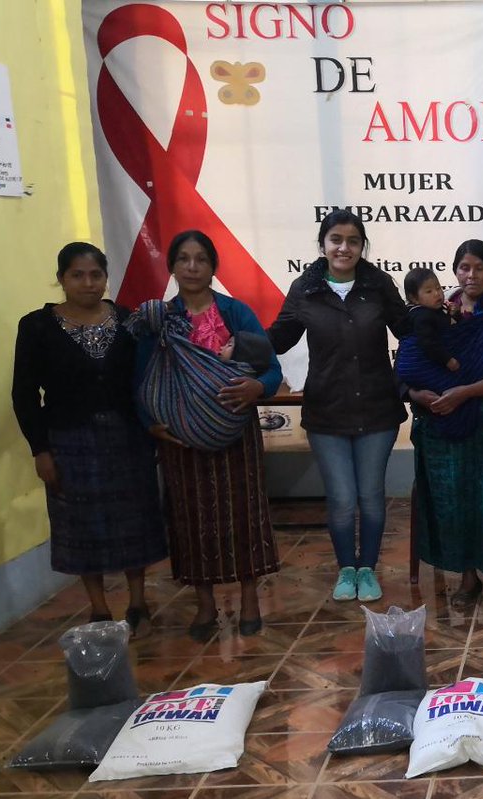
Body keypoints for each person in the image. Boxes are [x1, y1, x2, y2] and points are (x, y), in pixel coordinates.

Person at [11, 243, 166, 636]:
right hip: (68, 440)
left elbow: (146, 379)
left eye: (95, 275)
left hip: (127, 437)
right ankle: (98, 609)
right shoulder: (37, 326)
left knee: (135, 521)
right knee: (81, 526)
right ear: (61, 278)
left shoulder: (128, 321)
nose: (88, 283)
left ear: (105, 278)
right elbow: (24, 393)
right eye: (77, 275)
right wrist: (40, 449)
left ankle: (137, 602)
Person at [135, 230, 282, 640]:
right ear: (173, 267)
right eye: (184, 259)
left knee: (245, 515)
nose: (193, 267)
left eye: (201, 259)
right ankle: (205, 605)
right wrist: (151, 423)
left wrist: (257, 388)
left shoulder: (236, 314)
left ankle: (250, 599)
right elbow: (142, 378)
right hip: (181, 441)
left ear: (213, 267)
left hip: (236, 435)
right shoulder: (161, 320)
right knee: (191, 520)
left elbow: (270, 369)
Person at [268, 210, 409, 604]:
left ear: (362, 246)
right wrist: (240, 342)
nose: (344, 247)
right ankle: (347, 568)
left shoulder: (378, 284)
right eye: (336, 240)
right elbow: (279, 338)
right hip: (327, 411)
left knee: (371, 496)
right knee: (343, 498)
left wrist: (440, 320)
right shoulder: (306, 288)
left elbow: (408, 331)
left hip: (377, 409)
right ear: (323, 244)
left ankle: (369, 569)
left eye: (352, 240)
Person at [405, 240, 483, 609]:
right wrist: (415, 394)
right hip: (444, 420)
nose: (470, 274)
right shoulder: (437, 314)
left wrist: (467, 391)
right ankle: (467, 576)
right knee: (455, 499)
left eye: (478, 267)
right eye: (463, 267)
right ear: (455, 270)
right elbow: (409, 362)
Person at [403, 267, 460, 372]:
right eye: (429, 291)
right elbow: (428, 343)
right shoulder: (420, 316)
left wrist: (454, 314)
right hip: (426, 367)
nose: (437, 293)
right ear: (414, 298)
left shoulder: (436, 309)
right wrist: (447, 360)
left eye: (438, 288)